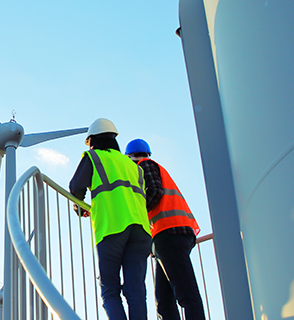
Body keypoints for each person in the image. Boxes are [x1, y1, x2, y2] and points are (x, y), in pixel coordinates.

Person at [69, 118, 152, 320]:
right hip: (141, 230)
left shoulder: (94, 157)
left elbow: (76, 188)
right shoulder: (134, 165)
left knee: (110, 290)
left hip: (112, 227)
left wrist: (79, 208)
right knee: (136, 291)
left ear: (93, 140)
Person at [125, 138, 204, 320]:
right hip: (171, 235)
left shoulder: (145, 165)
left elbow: (154, 191)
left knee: (186, 294)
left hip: (169, 233)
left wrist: (136, 214)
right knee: (164, 299)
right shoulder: (154, 166)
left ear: (130, 158)